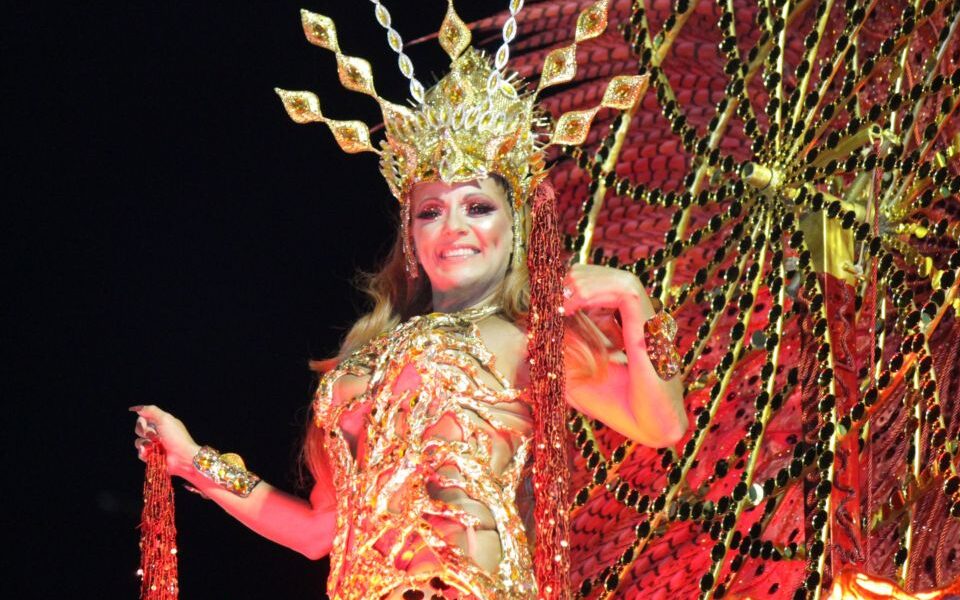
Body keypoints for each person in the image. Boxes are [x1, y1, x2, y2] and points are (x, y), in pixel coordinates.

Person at [132, 8, 686, 599]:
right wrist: (194, 461)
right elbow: (318, 532)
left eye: (478, 207)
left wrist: (634, 299)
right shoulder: (360, 359)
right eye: (431, 211)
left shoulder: (533, 339)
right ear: (410, 232)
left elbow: (662, 423)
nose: (454, 228)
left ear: (516, 227)